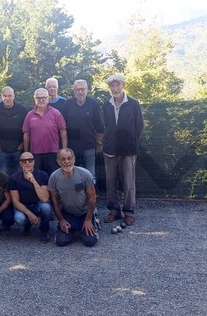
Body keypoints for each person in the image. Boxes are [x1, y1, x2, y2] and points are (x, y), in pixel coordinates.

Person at [102, 74, 143, 226]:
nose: (115, 88)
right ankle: (114, 210)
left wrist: (130, 140)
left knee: (128, 182)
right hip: (110, 149)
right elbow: (104, 126)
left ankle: (128, 212)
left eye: (117, 85)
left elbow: (139, 127)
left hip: (128, 149)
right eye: (112, 85)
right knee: (110, 181)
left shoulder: (133, 104)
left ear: (123, 85)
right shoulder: (106, 105)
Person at [48, 148, 98, 247]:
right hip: (68, 215)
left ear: (74, 159)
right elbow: (54, 200)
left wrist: (88, 219)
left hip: (84, 213)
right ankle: (74, 230)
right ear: (58, 161)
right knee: (61, 242)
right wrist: (61, 220)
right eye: (63, 159)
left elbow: (92, 197)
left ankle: (93, 222)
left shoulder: (85, 174)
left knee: (90, 242)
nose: (67, 162)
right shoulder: (54, 177)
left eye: (69, 158)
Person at [61, 79, 104, 182]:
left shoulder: (93, 104)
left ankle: (91, 196)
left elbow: (100, 127)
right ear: (74, 91)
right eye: (77, 89)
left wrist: (99, 144)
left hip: (89, 145)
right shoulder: (67, 104)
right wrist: (64, 147)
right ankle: (74, 196)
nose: (80, 92)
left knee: (90, 174)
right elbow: (62, 127)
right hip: (72, 147)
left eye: (82, 89)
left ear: (87, 90)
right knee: (71, 173)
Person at [22, 88, 67, 175]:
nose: (41, 100)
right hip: (35, 154)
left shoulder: (56, 113)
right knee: (38, 178)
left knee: (53, 178)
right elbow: (26, 134)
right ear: (34, 99)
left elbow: (63, 131)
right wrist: (26, 152)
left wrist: (64, 150)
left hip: (53, 153)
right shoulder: (29, 115)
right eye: (38, 98)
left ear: (48, 98)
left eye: (44, 97)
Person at [10, 152, 53, 242]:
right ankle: (27, 225)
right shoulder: (14, 178)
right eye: (24, 161)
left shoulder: (43, 175)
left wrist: (33, 180)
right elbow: (15, 201)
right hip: (23, 206)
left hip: (38, 204)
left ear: (34, 162)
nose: (27, 163)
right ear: (20, 163)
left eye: (30, 160)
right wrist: (29, 214)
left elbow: (45, 198)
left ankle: (44, 230)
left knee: (46, 207)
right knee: (19, 219)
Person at [0, 86, 27, 176]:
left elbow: (26, 130)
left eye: (9, 96)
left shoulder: (22, 110)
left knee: (18, 174)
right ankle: (6, 190)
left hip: (18, 149)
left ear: (14, 96)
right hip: (2, 151)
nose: (7, 98)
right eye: (5, 96)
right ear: (1, 96)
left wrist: (23, 144)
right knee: (4, 175)